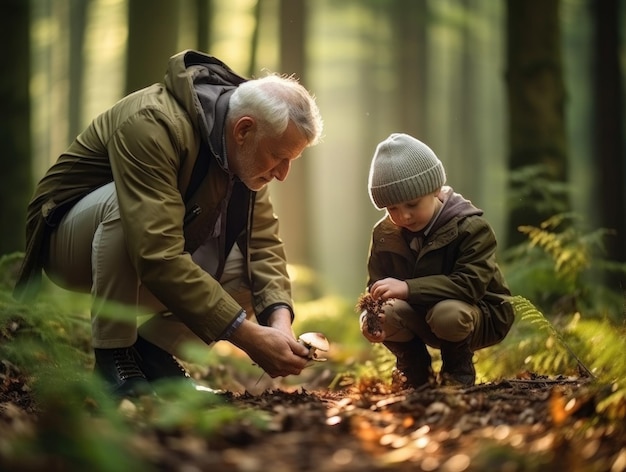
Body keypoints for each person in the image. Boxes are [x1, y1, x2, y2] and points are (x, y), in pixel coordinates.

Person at [14, 49, 324, 398]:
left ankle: (153, 357)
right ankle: (114, 359)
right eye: (279, 157)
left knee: (249, 272)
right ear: (244, 129)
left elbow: (263, 245)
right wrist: (246, 337)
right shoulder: (152, 122)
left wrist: (279, 324)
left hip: (145, 250)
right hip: (68, 243)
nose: (283, 174)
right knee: (125, 206)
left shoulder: (246, 154)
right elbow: (155, 252)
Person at [359, 133, 514, 388]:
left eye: (412, 203)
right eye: (392, 208)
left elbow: (469, 286)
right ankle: (415, 370)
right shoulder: (384, 234)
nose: (404, 216)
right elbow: (376, 287)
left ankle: (457, 371)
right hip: (421, 315)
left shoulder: (471, 228)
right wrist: (372, 319)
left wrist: (409, 289)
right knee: (382, 313)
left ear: (435, 190)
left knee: (447, 313)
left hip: (481, 315)